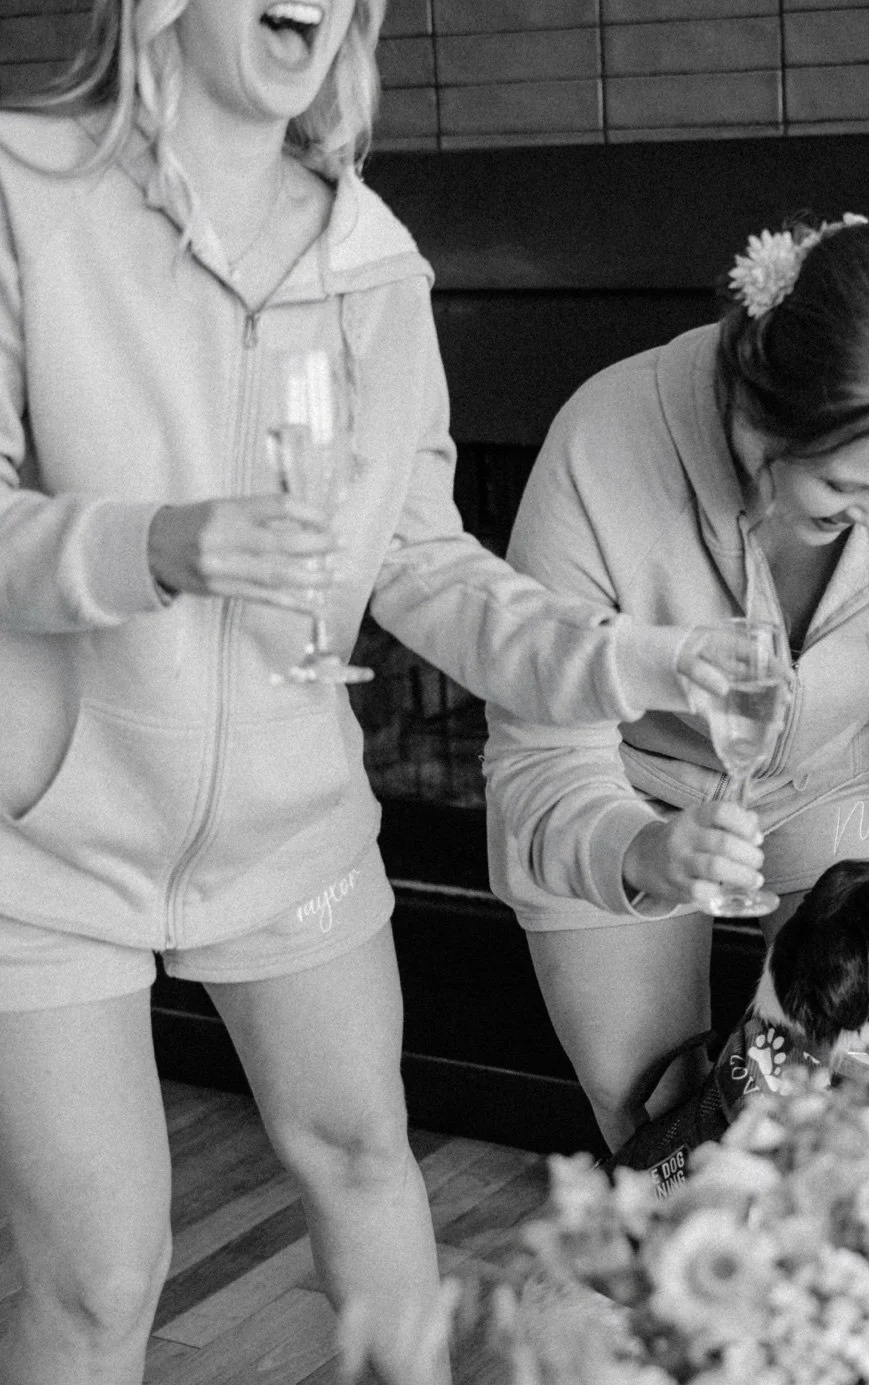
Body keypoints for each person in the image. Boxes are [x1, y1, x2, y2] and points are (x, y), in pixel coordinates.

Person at [0, 4, 738, 1382]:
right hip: (39, 838)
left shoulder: (372, 260)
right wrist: (153, 542)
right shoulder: (21, 196)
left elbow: (421, 558)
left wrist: (632, 657)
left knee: (360, 1154)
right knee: (99, 1278)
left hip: (291, 828)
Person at [483, 216, 869, 1154]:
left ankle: (836, 1294)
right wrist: (644, 850)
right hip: (628, 785)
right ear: (757, 421)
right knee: (666, 1121)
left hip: (836, 775)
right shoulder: (599, 448)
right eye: (844, 492)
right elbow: (540, 749)